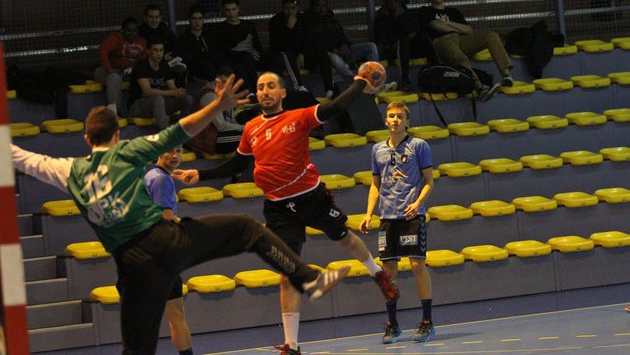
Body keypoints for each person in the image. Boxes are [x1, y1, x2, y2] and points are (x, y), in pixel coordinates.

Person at [11, 74, 350, 355]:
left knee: (136, 350)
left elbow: (20, 157)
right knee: (248, 229)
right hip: (167, 243)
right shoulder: (128, 152)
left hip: (132, 267)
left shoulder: (65, 170)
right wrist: (218, 105)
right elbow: (181, 131)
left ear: (86, 138)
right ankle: (308, 279)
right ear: (116, 136)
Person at [172, 65, 399, 355]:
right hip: (279, 208)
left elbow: (334, 107)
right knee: (287, 273)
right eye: (261, 87)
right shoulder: (251, 128)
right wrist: (200, 176)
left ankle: (377, 273)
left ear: (281, 92)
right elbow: (237, 164)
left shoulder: (297, 117)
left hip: (310, 197)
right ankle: (292, 346)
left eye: (270, 86)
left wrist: (358, 82)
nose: (264, 91)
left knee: (343, 238)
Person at [360, 101, 435, 344]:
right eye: (391, 116)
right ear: (386, 121)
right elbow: (375, 184)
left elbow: (429, 181)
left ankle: (427, 322)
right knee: (388, 271)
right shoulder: (377, 150)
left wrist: (418, 203)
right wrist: (369, 213)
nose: (395, 120)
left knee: (416, 265)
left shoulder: (419, 146)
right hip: (387, 218)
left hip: (411, 216)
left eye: (399, 116)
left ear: (407, 121)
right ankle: (392, 324)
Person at [418, 0, 514, 102]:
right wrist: (457, 28)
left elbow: (468, 30)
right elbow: (435, 26)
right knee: (460, 57)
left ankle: (507, 76)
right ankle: (480, 88)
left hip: (460, 39)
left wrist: (448, 23)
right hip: (441, 41)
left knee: (491, 35)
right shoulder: (425, 11)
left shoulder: (453, 12)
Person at [144, 146, 194, 355]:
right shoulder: (161, 180)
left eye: (179, 151)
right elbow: (166, 217)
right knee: (176, 314)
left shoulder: (152, 175)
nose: (175, 156)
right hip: (160, 254)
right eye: (169, 151)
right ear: (158, 153)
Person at [303, 0, 387, 98]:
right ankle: (356, 85)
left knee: (370, 46)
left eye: (324, 6)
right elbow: (315, 43)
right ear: (312, 7)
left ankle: (375, 82)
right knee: (333, 58)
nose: (321, 9)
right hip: (326, 56)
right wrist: (333, 48)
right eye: (318, 6)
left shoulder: (330, 18)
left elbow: (340, 34)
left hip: (341, 50)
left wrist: (344, 44)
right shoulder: (307, 22)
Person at [128, 38, 193, 130]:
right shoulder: (141, 67)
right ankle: (166, 138)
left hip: (159, 104)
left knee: (187, 99)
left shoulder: (164, 66)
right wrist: (172, 92)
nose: (159, 53)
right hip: (138, 106)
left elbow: (172, 88)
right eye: (155, 50)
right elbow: (147, 91)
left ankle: (182, 133)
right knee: (158, 98)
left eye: (161, 50)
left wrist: (178, 92)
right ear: (148, 52)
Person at [374, 0, 427, 91]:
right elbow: (382, 38)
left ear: (400, 3)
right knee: (403, 42)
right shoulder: (381, 18)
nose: (393, 5)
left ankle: (434, 70)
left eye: (396, 2)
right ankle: (405, 80)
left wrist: (400, 18)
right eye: (390, 2)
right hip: (389, 50)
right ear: (386, 4)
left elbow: (413, 30)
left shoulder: (404, 14)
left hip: (406, 47)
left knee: (422, 37)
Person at [95, 17, 147, 116]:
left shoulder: (142, 42)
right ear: (122, 30)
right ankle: (114, 112)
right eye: (128, 30)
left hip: (129, 73)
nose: (131, 33)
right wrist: (109, 68)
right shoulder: (116, 38)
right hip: (108, 71)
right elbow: (103, 50)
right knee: (115, 77)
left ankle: (140, 111)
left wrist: (134, 69)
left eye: (134, 30)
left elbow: (143, 60)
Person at [188, 66, 244, 155]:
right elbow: (220, 126)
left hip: (216, 136)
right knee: (251, 135)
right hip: (204, 141)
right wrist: (245, 128)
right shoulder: (209, 96)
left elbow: (231, 120)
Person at [215, 0, 263, 97]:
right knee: (243, 63)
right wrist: (245, 53)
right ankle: (252, 92)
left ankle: (253, 92)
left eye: (233, 9)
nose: (231, 13)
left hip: (251, 59)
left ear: (238, 9)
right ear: (224, 11)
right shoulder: (221, 28)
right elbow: (224, 52)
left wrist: (257, 55)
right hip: (234, 61)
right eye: (228, 10)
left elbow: (257, 46)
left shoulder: (249, 25)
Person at [266, 0, 307, 92]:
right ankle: (298, 86)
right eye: (287, 8)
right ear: (282, 8)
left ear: (298, 8)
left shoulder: (303, 20)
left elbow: (309, 40)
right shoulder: (276, 21)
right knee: (286, 55)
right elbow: (278, 45)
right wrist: (289, 28)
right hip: (281, 54)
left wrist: (302, 54)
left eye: (293, 8)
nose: (290, 12)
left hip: (301, 54)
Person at [175, 5, 225, 83]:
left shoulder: (210, 35)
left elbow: (218, 52)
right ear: (189, 20)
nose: (197, 22)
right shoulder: (184, 38)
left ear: (203, 19)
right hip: (198, 69)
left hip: (213, 66)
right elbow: (187, 59)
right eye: (194, 19)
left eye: (200, 18)